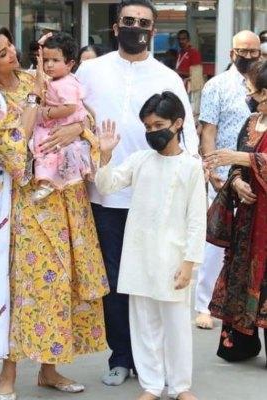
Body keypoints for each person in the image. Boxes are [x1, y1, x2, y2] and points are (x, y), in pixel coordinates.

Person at [0, 26, 108, 398]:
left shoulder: (31, 78)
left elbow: (83, 114)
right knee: (28, 286)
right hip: (27, 204)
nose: (14, 55)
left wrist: (75, 129)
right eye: (3, 53)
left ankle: (49, 369)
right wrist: (36, 103)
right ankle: (7, 373)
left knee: (63, 282)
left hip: (67, 198)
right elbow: (12, 150)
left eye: (10, 47)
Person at [75, 0, 199, 386]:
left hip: (156, 199)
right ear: (116, 28)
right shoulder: (91, 71)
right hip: (106, 194)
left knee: (160, 281)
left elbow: (188, 139)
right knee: (115, 281)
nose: (136, 27)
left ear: (153, 30)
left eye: (143, 22)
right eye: (128, 21)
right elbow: (70, 115)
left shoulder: (167, 77)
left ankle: (160, 365)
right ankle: (122, 357)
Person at [96, 92, 205, 400]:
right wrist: (105, 156)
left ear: (178, 123)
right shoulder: (140, 160)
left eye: (158, 125)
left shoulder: (191, 167)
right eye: (147, 126)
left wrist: (189, 263)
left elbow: (197, 220)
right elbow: (106, 186)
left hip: (173, 258)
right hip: (139, 255)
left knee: (176, 326)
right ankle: (152, 385)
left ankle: (180, 386)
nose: (152, 132)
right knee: (144, 325)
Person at [194, 31, 258, 330]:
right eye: (243, 51)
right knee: (216, 243)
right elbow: (208, 131)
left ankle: (244, 306)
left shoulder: (264, 84)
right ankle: (204, 305)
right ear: (232, 53)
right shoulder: (216, 86)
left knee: (251, 243)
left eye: (254, 52)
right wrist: (213, 171)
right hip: (224, 176)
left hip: (258, 175)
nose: (249, 57)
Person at [206, 60, 267, 366]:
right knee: (241, 272)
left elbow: (243, 157)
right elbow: (236, 167)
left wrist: (242, 158)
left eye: (252, 90)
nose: (248, 95)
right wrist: (238, 182)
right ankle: (242, 343)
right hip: (247, 218)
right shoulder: (251, 121)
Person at [29, 32, 93, 201]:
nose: (49, 65)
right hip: (62, 121)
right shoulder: (56, 80)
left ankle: (47, 181)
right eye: (46, 60)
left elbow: (70, 107)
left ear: (70, 64)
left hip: (63, 121)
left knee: (45, 146)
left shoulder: (65, 83)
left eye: (55, 60)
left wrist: (46, 113)